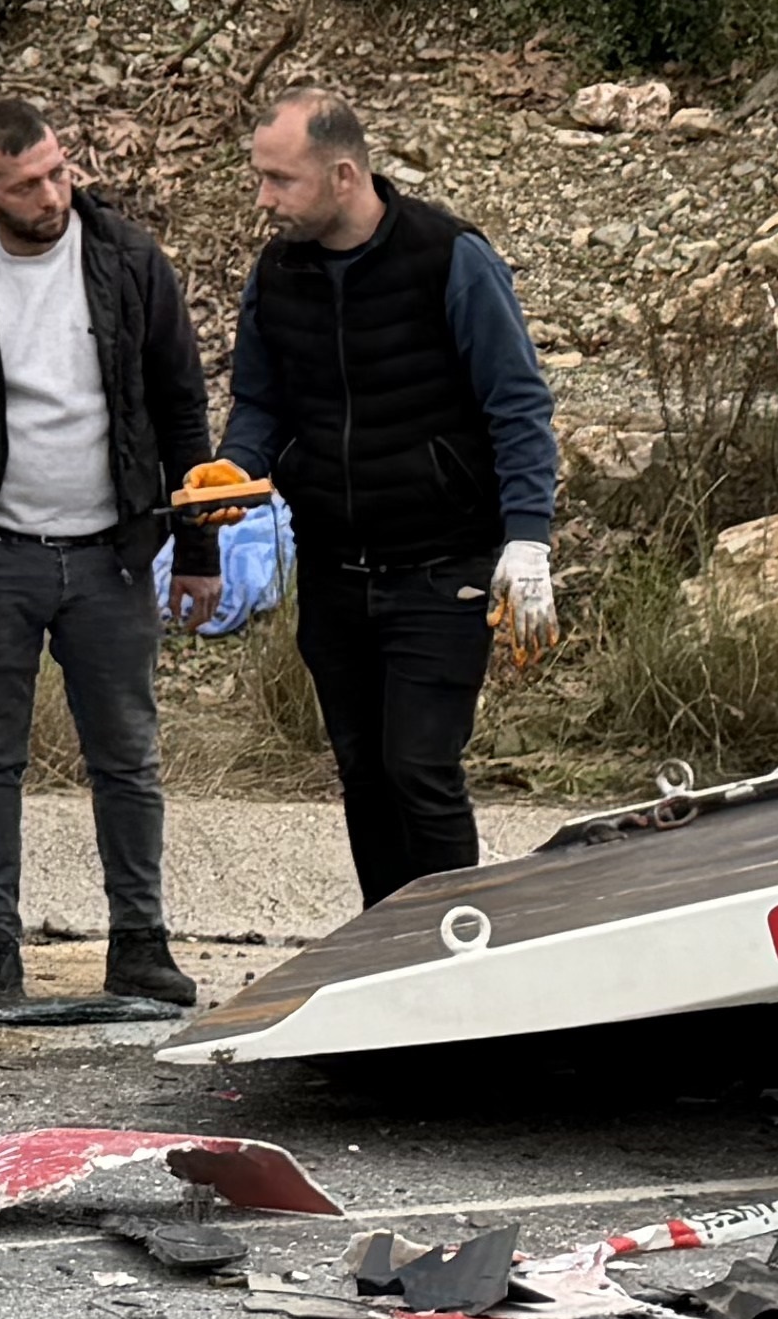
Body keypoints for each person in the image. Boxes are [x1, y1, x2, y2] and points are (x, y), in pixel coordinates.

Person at [0, 102, 225, 1012]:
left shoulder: (126, 259)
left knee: (128, 754)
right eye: (26, 183)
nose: (52, 192)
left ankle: (141, 944)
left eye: (58, 170)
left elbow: (181, 406)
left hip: (114, 554)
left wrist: (198, 547)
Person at [221, 95, 559, 907]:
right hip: (335, 570)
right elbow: (260, 405)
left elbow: (516, 402)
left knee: (420, 767)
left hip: (443, 566)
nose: (264, 199)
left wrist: (529, 537)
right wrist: (234, 470)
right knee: (364, 773)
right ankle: (385, 951)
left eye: (279, 179)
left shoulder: (451, 258)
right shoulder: (277, 274)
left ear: (344, 174)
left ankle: (457, 952)